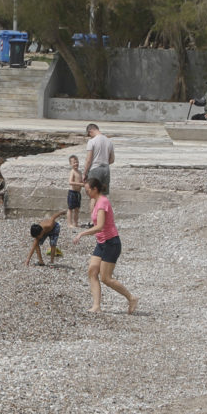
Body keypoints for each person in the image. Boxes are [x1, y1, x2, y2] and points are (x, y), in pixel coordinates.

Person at [83, 177, 137, 314]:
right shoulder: (95, 201)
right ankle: (96, 306)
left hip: (111, 243)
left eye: (87, 190)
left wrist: (82, 233)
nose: (86, 193)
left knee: (106, 278)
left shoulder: (103, 203)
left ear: (95, 189)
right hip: (101, 242)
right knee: (92, 271)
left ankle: (131, 298)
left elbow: (100, 226)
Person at [84, 123, 114, 194]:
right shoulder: (109, 141)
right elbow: (112, 159)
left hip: (95, 169)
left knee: (93, 195)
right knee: (103, 195)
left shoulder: (92, 141)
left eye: (89, 135)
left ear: (90, 131)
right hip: (106, 170)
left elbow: (88, 160)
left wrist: (85, 173)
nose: (90, 136)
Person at [66, 155, 85, 229]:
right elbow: (70, 182)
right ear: (71, 164)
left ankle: (75, 223)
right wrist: (80, 184)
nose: (76, 164)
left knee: (77, 209)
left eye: (77, 162)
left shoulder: (79, 172)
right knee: (70, 208)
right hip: (72, 192)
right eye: (74, 162)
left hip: (78, 193)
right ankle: (69, 223)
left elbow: (81, 180)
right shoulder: (72, 172)